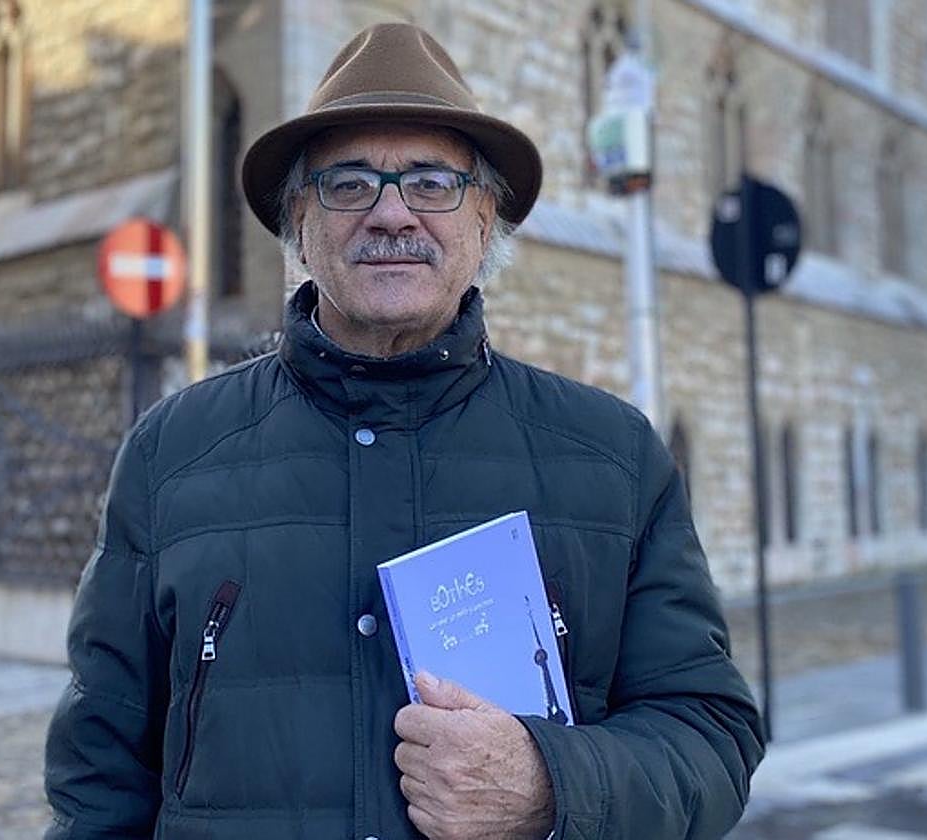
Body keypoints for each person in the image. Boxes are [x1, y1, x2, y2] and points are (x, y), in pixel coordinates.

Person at [44, 22, 764, 840]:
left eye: (432, 182)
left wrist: (550, 785)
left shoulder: (616, 459)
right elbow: (97, 780)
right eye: (349, 183)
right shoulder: (172, 454)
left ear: (486, 220)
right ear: (298, 222)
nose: (391, 213)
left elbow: (712, 738)